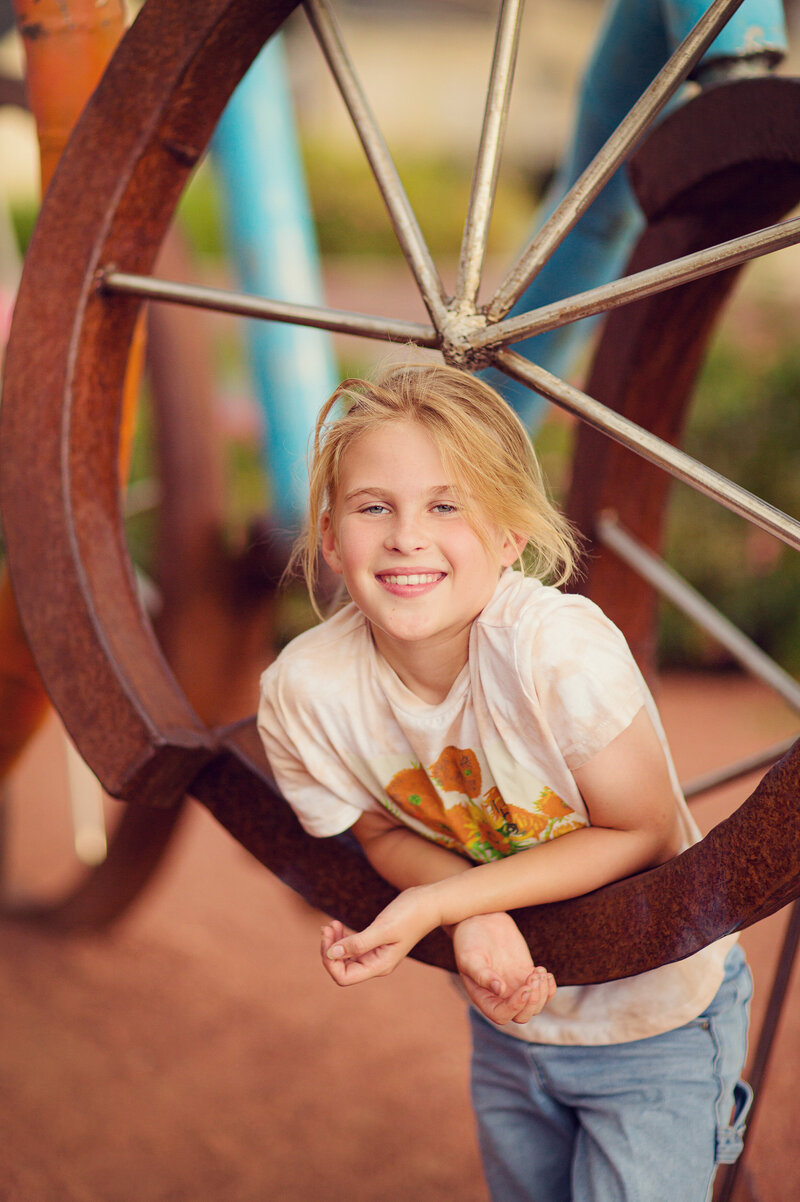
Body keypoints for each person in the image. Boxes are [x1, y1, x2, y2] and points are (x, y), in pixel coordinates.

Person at [257, 362, 752, 1202]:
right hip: (512, 1025)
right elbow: (380, 831)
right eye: (374, 505)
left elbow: (643, 832)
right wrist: (478, 909)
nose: (407, 535)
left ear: (510, 534)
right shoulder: (306, 694)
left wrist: (439, 907)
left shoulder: (555, 653)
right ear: (332, 536)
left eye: (446, 505)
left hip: (659, 1015)